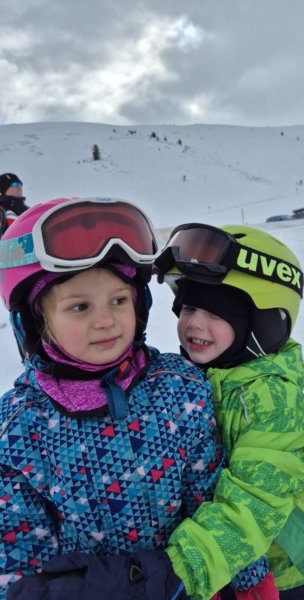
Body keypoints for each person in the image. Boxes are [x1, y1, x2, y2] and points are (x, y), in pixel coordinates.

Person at [0, 198, 275, 600]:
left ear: (139, 304)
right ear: (35, 322)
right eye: (79, 306)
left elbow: (209, 496)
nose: (105, 321)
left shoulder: (178, 387)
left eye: (118, 300)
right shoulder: (20, 426)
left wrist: (249, 578)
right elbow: (20, 558)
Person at [151, 223, 304, 599]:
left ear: (263, 323)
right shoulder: (186, 379)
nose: (194, 323)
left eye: (216, 313)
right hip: (225, 567)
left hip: (289, 572)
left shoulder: (274, 401)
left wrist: (177, 572)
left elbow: (255, 503)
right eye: (189, 307)